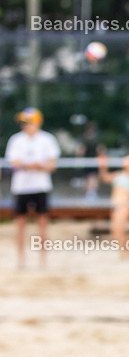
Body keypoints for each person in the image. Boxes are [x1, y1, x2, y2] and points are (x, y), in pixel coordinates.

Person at [5, 108, 60, 269]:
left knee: (42, 222)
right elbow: (13, 163)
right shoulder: (16, 140)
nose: (25, 125)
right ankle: (21, 259)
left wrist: (29, 165)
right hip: (21, 187)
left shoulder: (47, 139)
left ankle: (43, 259)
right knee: (20, 223)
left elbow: (51, 165)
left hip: (41, 186)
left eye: (27, 122)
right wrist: (37, 165)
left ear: (37, 122)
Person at [98, 153, 129, 259]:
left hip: (124, 206)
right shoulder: (119, 175)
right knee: (116, 231)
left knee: (119, 231)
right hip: (116, 206)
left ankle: (125, 253)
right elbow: (104, 177)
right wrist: (103, 166)